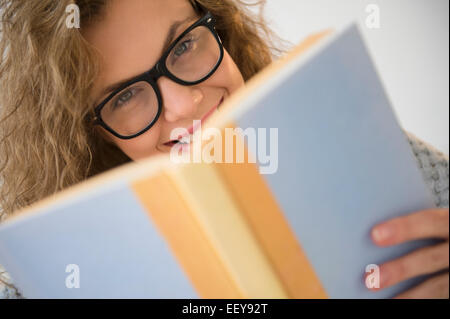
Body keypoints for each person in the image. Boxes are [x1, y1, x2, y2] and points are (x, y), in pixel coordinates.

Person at [0, 0, 448, 299]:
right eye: (123, 97)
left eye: (184, 45)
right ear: (89, 135)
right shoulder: (34, 281)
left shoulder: (384, 157)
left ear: (222, 31)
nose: (183, 103)